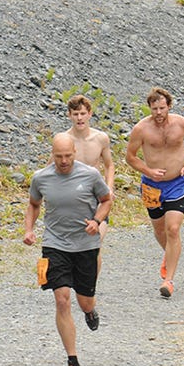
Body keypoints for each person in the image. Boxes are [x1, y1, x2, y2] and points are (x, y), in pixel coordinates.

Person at [24, 133, 112, 366]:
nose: (63, 161)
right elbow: (33, 204)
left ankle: (90, 310)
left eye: (68, 155)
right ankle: (73, 361)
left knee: (84, 301)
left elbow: (106, 200)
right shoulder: (41, 178)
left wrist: (96, 221)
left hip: (85, 245)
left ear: (75, 152)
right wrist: (29, 230)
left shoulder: (90, 175)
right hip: (55, 244)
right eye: (58, 156)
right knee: (62, 299)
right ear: (52, 154)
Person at [124, 87, 184, 298]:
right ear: (149, 108)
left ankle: (169, 281)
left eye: (162, 108)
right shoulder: (141, 129)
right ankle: (169, 254)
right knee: (159, 230)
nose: (158, 113)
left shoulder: (182, 123)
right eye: (154, 108)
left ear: (169, 106)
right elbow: (130, 157)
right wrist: (148, 170)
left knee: (173, 229)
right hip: (152, 185)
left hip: (177, 183)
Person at [64, 95, 115, 273]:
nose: (79, 118)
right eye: (76, 114)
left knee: (94, 245)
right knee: (74, 247)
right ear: (69, 115)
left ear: (89, 114)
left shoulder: (101, 138)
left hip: (97, 198)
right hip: (72, 199)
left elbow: (109, 165)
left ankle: (90, 288)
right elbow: (51, 167)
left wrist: (109, 187)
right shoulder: (64, 140)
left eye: (83, 113)